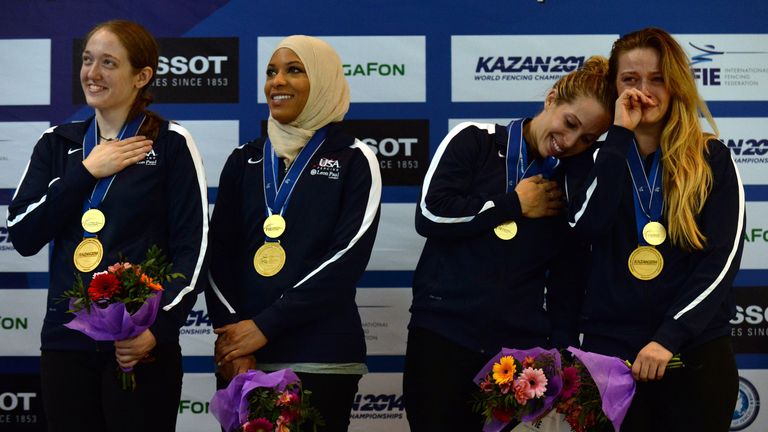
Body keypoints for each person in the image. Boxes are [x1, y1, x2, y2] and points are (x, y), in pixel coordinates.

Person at [6, 20, 208, 432]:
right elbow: (24, 235)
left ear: (141, 76)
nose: (92, 73)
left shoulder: (170, 143)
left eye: (108, 63)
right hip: (66, 343)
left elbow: (195, 247)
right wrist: (85, 172)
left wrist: (158, 326)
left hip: (138, 346)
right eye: (87, 60)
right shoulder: (57, 144)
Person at [403, 56, 612, 430]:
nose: (570, 142)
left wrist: (561, 354)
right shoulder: (475, 140)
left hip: (516, 350)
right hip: (443, 333)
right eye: (570, 124)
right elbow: (431, 215)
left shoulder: (571, 182)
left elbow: (567, 279)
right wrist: (514, 204)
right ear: (551, 99)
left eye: (587, 139)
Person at [568, 28, 744, 431]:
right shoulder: (594, 157)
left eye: (657, 78)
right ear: (614, 87)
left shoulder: (711, 158)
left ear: (676, 84)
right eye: (630, 79)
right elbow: (585, 226)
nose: (643, 91)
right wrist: (618, 137)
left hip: (693, 354)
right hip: (608, 358)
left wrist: (669, 336)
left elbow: (721, 260)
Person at [205, 35, 381, 431]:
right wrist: (234, 334)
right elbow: (217, 254)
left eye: (294, 70)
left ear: (322, 81)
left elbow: (346, 259)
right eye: (271, 72)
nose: (277, 82)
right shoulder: (244, 159)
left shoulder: (354, 157)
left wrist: (264, 326)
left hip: (321, 354)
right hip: (242, 356)